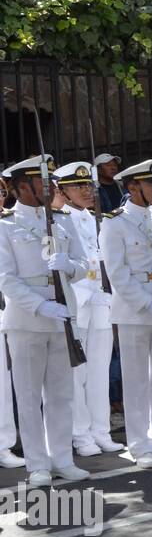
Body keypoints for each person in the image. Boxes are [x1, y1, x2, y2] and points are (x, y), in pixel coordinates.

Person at [0, 154, 92, 485]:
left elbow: (84, 265)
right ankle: (37, 463)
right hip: (27, 320)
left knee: (61, 394)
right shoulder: (5, 225)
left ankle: (62, 458)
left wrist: (68, 265)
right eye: (43, 181)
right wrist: (41, 306)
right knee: (28, 395)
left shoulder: (62, 221)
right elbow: (6, 279)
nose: (51, 186)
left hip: (63, 317)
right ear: (23, 186)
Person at [98, 159, 152, 468]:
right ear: (133, 186)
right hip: (135, 311)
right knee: (136, 381)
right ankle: (139, 445)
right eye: (150, 184)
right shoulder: (114, 222)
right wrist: (147, 302)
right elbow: (117, 274)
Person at [53, 161, 123, 458]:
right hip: (78, 304)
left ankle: (101, 431)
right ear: (63, 192)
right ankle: (80, 435)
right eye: (77, 186)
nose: (86, 191)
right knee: (77, 375)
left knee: (99, 372)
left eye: (87, 185)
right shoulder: (57, 220)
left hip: (101, 301)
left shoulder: (100, 220)